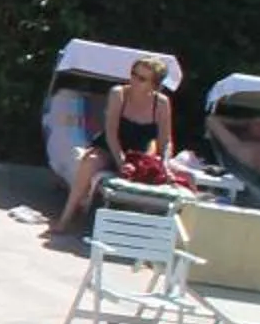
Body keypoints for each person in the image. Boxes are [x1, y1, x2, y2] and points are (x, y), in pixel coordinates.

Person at [58, 55, 176, 229]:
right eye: (133, 74)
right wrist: (121, 162)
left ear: (154, 84)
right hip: (110, 146)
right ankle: (65, 218)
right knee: (90, 161)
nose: (134, 80)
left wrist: (165, 165)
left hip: (138, 153)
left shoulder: (161, 104)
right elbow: (111, 133)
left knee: (169, 176)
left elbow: (165, 142)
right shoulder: (119, 94)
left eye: (142, 79)